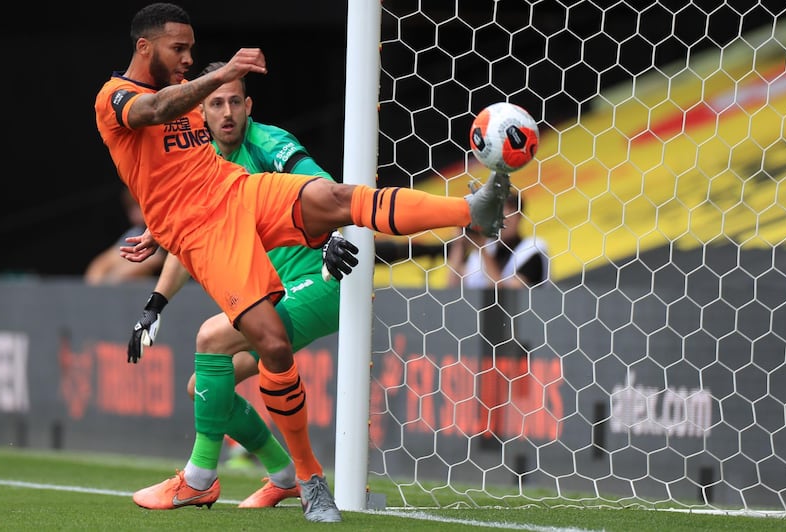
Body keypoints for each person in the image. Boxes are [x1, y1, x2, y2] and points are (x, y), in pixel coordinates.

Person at [95, 2, 509, 522]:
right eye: (179, 50)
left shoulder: (256, 139)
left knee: (337, 197)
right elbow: (153, 122)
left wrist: (161, 224)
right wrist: (162, 245)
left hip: (241, 195)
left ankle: (472, 211)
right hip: (209, 234)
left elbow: (186, 177)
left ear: (248, 106)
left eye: (193, 53)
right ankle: (299, 478)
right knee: (261, 344)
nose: (188, 59)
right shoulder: (116, 98)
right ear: (143, 47)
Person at [126, 60, 349, 510]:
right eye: (215, 104)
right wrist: (154, 305)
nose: (226, 112)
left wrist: (334, 234)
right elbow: (190, 241)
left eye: (234, 102)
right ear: (200, 113)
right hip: (275, 295)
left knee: (211, 337)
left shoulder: (267, 142)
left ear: (249, 106)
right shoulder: (202, 165)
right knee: (204, 389)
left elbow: (320, 182)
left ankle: (206, 478)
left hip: (322, 281)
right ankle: (283, 475)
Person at [447, 192, 549, 288]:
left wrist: (482, 248)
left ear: (520, 216)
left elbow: (507, 296)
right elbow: (453, 287)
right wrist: (460, 242)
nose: (503, 222)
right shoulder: (482, 253)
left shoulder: (532, 249)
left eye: (508, 217)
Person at [84, 187, 166, 285]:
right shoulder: (137, 231)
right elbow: (104, 262)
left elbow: (154, 260)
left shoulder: (166, 228)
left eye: (138, 206)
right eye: (130, 208)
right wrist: (95, 288)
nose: (134, 214)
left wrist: (111, 281)